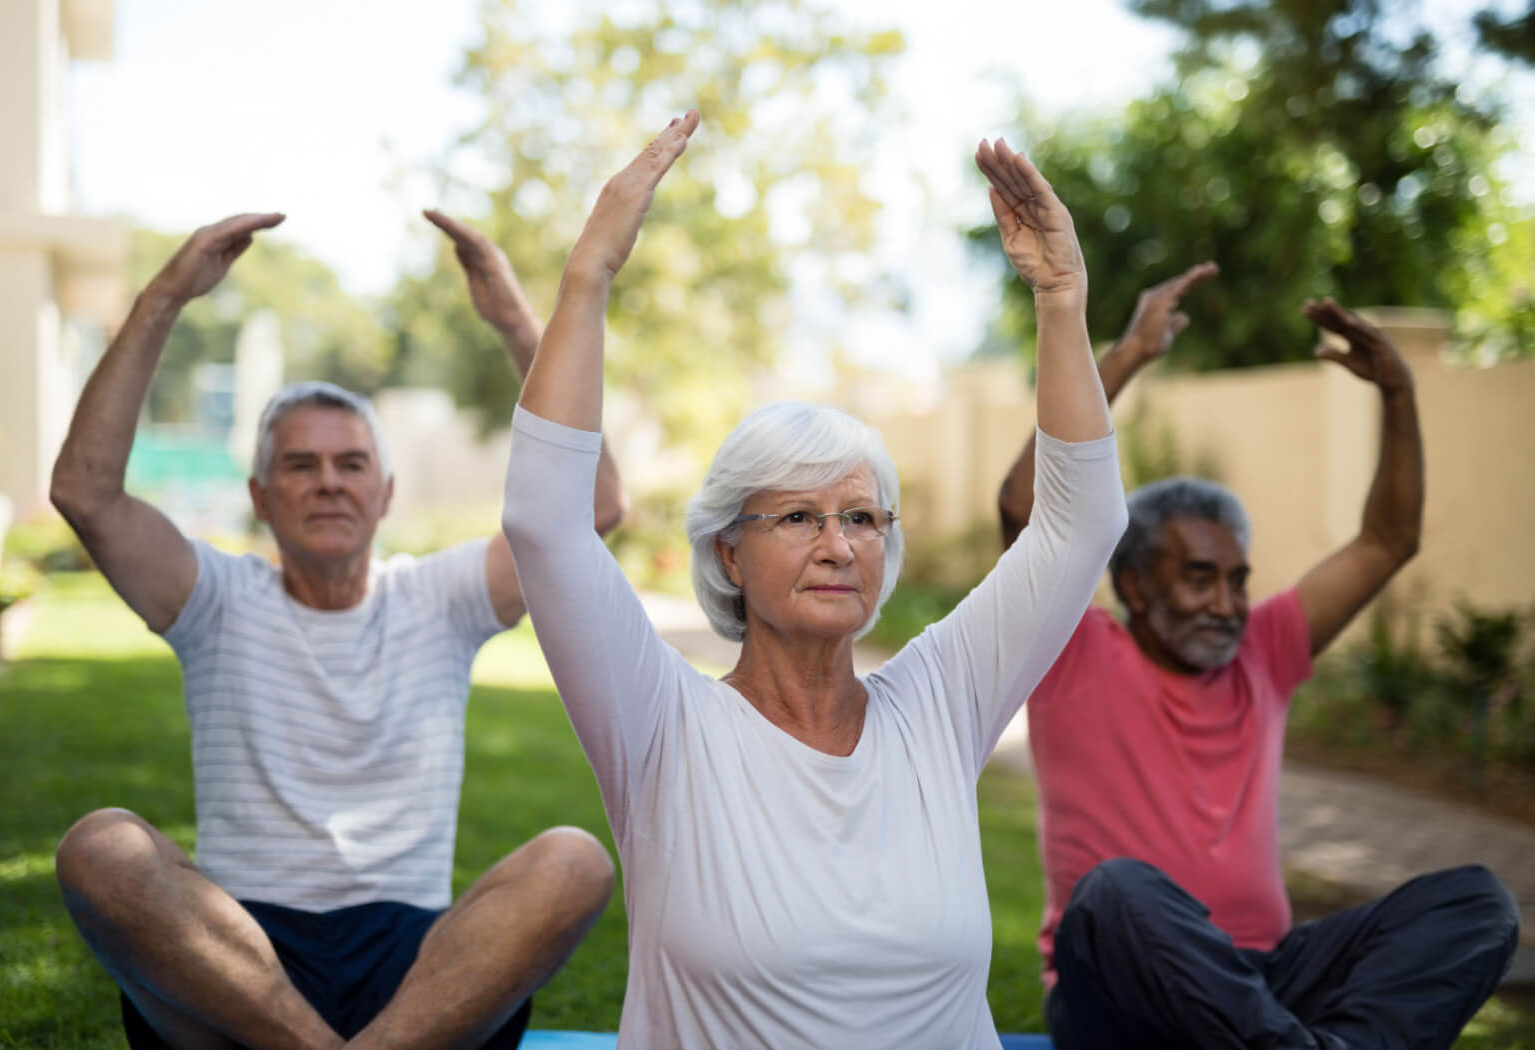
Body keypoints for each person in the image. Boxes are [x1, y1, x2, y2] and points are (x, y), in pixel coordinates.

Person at [500, 109, 1127, 1047]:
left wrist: (1062, 303)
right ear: (728, 552)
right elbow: (544, 523)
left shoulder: (939, 707)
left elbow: (1083, 525)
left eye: (863, 518)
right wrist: (588, 275)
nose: (839, 544)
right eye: (797, 516)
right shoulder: (663, 725)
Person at [49, 210, 621, 1050]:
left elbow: (595, 508)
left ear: (385, 494)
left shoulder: (441, 597)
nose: (328, 484)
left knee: (575, 860)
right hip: (239, 965)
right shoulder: (214, 597)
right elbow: (85, 494)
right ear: (259, 497)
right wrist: (167, 295)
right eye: (300, 465)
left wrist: (513, 320)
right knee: (98, 847)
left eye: (351, 464)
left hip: (419, 973)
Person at [995, 270, 1521, 1049]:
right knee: (1114, 893)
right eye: (1198, 578)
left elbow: (1387, 541)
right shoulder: (1073, 649)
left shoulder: (1264, 651)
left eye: (1238, 579)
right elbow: (1020, 505)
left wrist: (1400, 394)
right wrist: (1130, 354)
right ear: (1134, 585)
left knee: (1476, 904)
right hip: (1116, 993)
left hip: (1259, 984)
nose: (1227, 603)